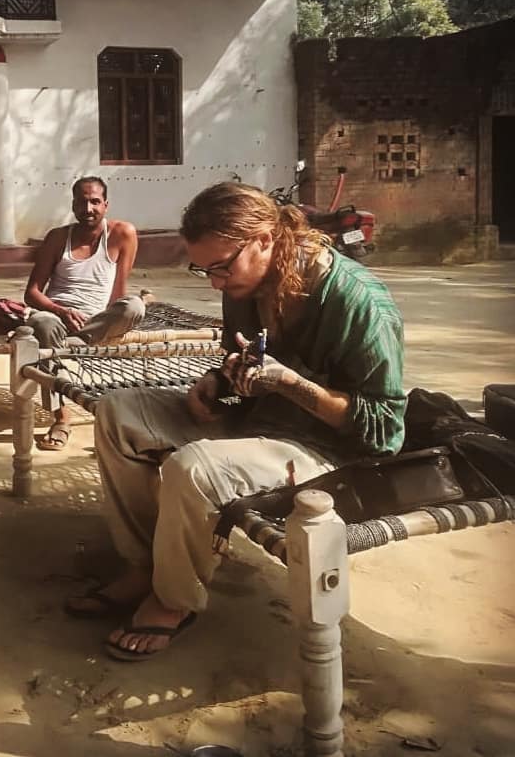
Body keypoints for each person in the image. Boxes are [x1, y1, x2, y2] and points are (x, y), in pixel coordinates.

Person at [65, 180, 406, 661]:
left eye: (222, 268)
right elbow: (240, 357)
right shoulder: (243, 286)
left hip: (323, 453)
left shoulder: (357, 302)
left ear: (266, 238)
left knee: (193, 467)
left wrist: (291, 385)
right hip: (254, 425)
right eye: (203, 270)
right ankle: (146, 566)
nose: (215, 284)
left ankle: (174, 599)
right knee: (119, 413)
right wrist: (217, 381)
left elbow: (384, 430)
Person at [24, 176, 144, 451]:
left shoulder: (122, 233)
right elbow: (32, 293)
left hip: (96, 321)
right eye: (81, 202)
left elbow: (119, 293)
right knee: (42, 323)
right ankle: (62, 418)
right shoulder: (58, 238)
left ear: (106, 204)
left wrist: (109, 319)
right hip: (56, 319)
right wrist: (60, 310)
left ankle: (70, 346)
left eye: (94, 202)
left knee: (135, 306)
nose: (87, 208)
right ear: (73, 204)